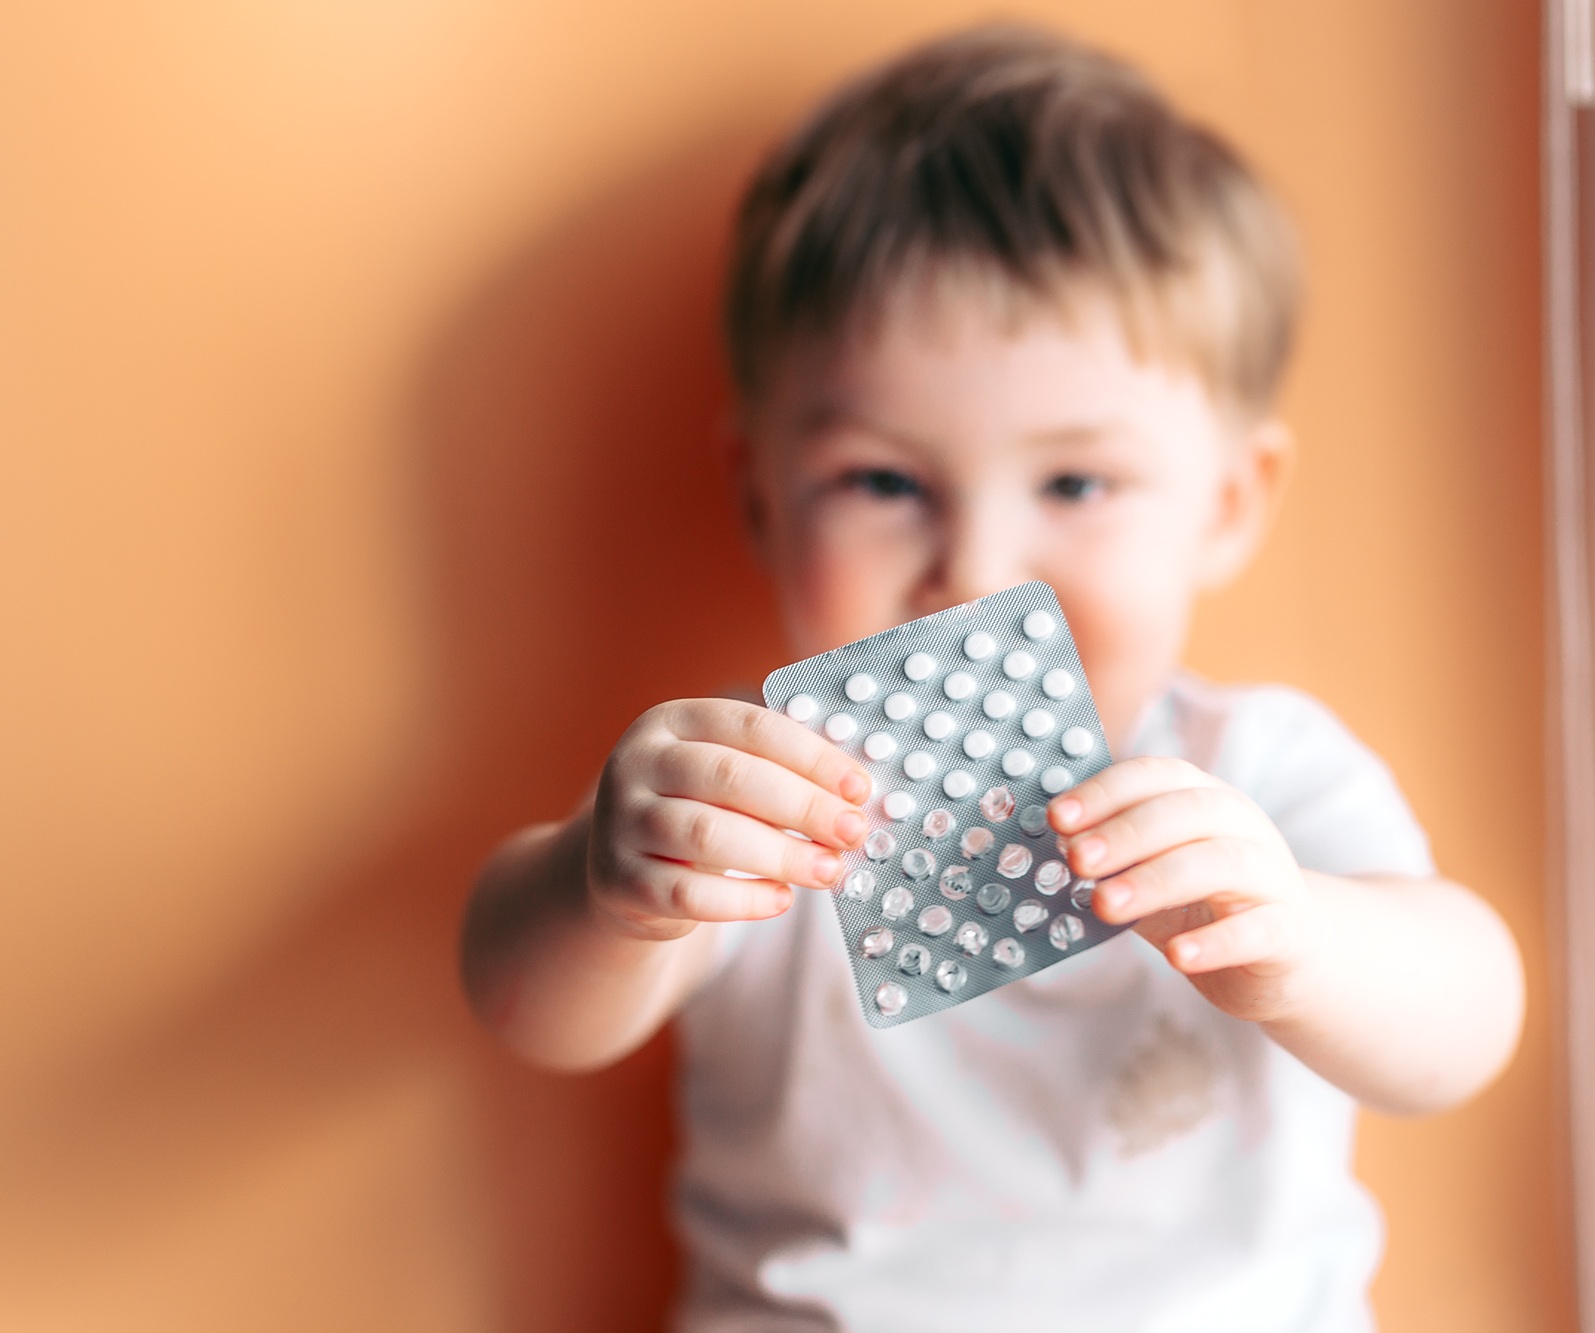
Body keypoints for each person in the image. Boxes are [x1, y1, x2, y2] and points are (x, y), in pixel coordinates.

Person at [461, 24, 1524, 1332]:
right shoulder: (758, 798)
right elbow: (521, 1001)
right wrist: (606, 886)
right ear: (762, 498)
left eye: (1076, 483)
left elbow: (1469, 1018)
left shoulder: (1260, 771)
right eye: (884, 484)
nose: (974, 569)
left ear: (1231, 502)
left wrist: (1304, 937)